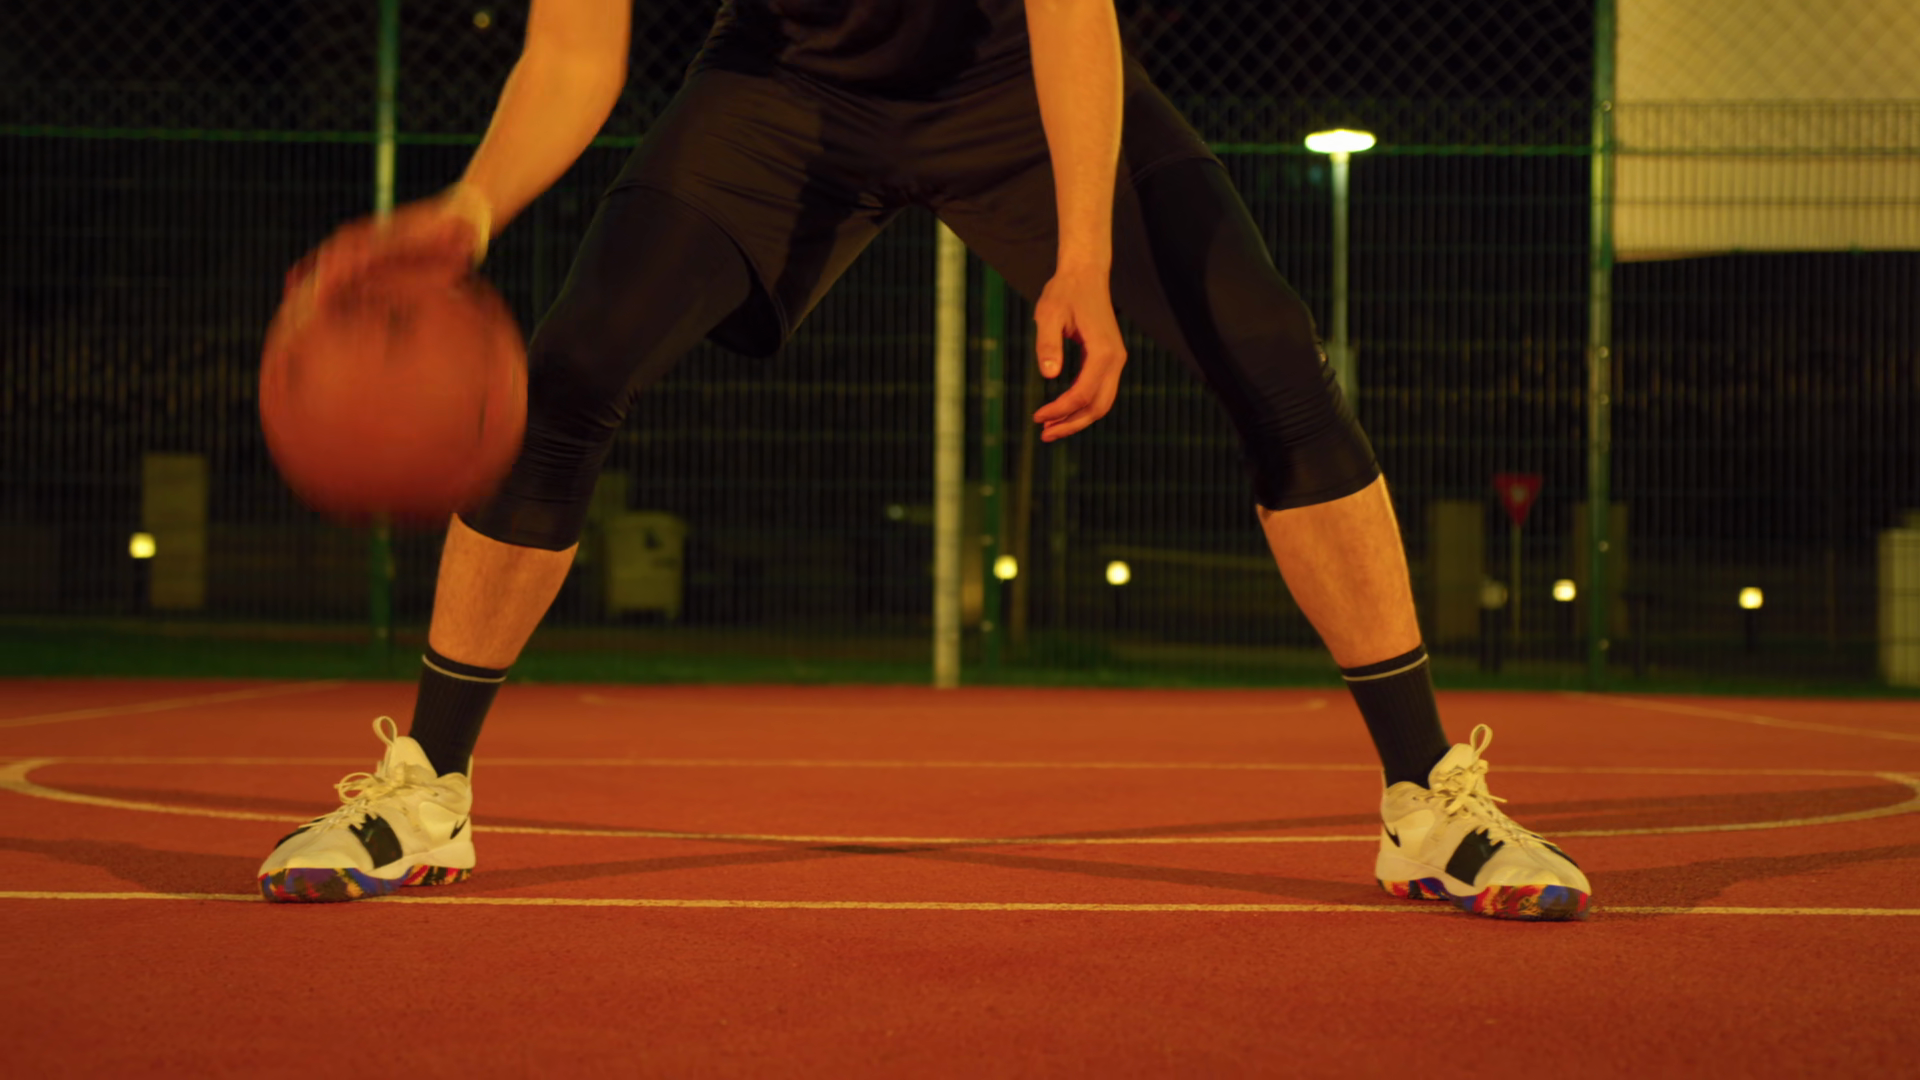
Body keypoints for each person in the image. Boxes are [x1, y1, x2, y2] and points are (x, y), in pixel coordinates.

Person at [259, 0, 1589, 920]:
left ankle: (1429, 803)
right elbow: (570, 50)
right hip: (777, 91)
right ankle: (426, 794)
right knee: (568, 373)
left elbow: (1068, 12)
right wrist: (472, 207)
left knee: (1274, 358)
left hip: (1012, 77)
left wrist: (1082, 253)